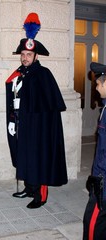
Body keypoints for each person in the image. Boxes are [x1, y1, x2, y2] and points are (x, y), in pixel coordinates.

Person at [5, 13, 68, 209]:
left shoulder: (43, 74)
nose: (25, 58)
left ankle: (40, 195)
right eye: (23, 55)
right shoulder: (18, 75)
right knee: (25, 158)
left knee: (39, 158)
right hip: (22, 125)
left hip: (38, 129)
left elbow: (49, 107)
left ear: (35, 56)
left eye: (28, 55)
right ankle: (29, 187)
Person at [83, 62, 106, 240]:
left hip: (103, 183)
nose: (97, 88)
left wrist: (98, 181)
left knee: (93, 224)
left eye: (98, 84)